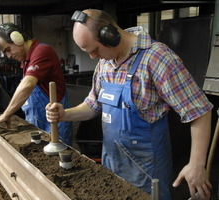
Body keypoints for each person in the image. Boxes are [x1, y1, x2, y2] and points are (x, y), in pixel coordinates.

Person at [46, 9, 213, 199]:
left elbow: (199, 111)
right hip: (112, 166)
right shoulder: (104, 64)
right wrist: (64, 114)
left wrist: (197, 164)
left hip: (147, 173)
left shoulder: (157, 58)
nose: (93, 57)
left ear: (110, 35)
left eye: (95, 50)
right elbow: (93, 105)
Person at [0, 23, 72, 145]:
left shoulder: (42, 51)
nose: (9, 55)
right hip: (37, 123)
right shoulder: (26, 61)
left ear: (17, 38)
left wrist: (6, 114)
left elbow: (28, 84)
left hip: (53, 124)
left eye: (8, 49)